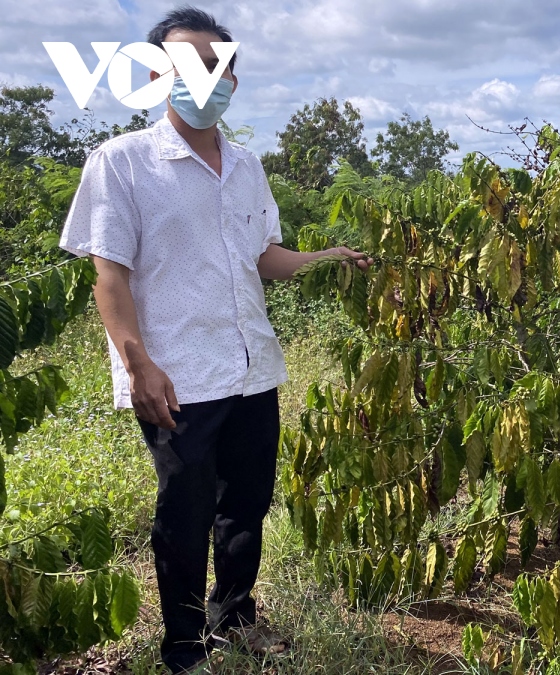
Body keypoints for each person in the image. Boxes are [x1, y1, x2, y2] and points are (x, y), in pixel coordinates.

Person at [58, 7, 371, 674]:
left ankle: (236, 617)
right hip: (177, 376)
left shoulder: (248, 166)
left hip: (252, 366)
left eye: (217, 66)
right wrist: (136, 363)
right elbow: (108, 273)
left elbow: (263, 256)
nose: (204, 78)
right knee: (185, 512)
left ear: (234, 78)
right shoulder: (122, 163)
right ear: (155, 75)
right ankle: (183, 645)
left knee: (246, 507)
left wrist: (326, 257)